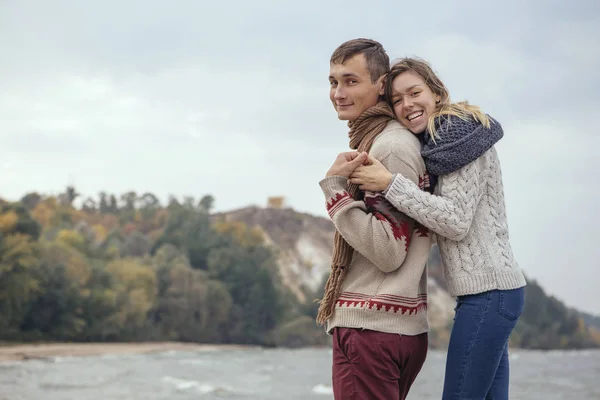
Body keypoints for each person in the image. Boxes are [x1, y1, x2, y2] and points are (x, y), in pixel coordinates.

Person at [348, 57, 527, 400]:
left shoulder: (460, 137)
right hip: (489, 293)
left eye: (414, 92)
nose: (407, 105)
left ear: (436, 91)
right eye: (397, 100)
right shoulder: (438, 145)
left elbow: (455, 221)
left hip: (489, 294)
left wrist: (389, 183)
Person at [317, 38, 432, 400]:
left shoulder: (390, 147)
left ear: (381, 85)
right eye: (334, 81)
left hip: (371, 329)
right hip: (390, 328)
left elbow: (388, 250)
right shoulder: (384, 142)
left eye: (351, 81)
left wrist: (335, 192)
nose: (338, 92)